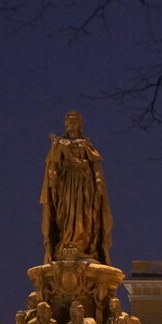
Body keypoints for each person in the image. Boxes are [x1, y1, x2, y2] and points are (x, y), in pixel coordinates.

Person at [40, 110, 113, 265]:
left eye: (74, 121)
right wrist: (52, 175)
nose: (71, 124)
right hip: (66, 185)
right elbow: (52, 165)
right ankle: (65, 244)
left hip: (84, 184)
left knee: (85, 216)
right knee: (64, 215)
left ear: (80, 124)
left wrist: (99, 181)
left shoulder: (85, 144)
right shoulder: (59, 144)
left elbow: (96, 164)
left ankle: (83, 247)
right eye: (69, 121)